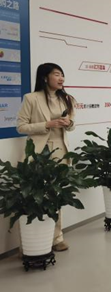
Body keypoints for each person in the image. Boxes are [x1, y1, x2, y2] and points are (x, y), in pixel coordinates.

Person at [17, 63, 76, 253]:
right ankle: (29, 243)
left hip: (60, 150)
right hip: (39, 152)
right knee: (34, 196)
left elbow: (72, 125)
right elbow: (21, 126)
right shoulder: (31, 98)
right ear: (45, 77)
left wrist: (68, 123)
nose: (61, 78)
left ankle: (57, 238)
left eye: (62, 75)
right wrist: (46, 124)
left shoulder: (66, 98)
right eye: (57, 74)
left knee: (55, 194)